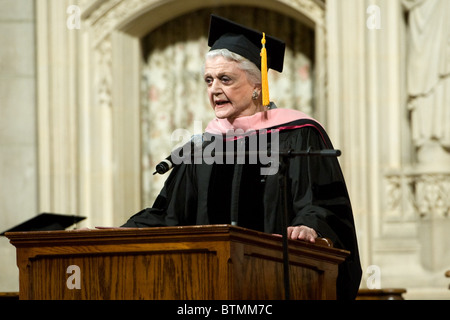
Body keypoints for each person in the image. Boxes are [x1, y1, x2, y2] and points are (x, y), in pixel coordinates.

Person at [122, 14, 362, 300]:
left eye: (225, 79)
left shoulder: (298, 134)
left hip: (276, 286)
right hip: (207, 289)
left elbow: (322, 204)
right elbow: (169, 216)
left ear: (257, 84)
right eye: (208, 80)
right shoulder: (202, 148)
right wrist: (119, 234)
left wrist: (309, 227)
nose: (214, 89)